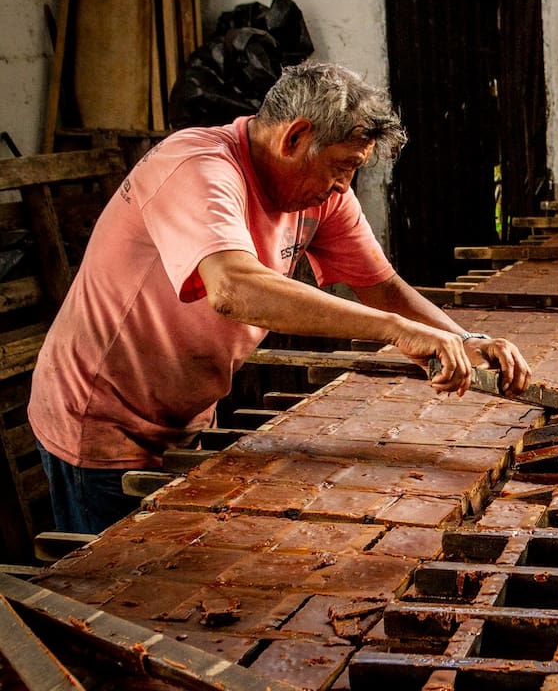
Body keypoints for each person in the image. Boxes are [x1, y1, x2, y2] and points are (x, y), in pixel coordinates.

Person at [29, 61, 531, 536]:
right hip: (101, 417)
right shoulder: (198, 165)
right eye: (342, 167)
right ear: (295, 136)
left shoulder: (322, 194)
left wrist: (464, 340)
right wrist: (398, 332)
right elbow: (232, 288)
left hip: (185, 413)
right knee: (107, 590)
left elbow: (381, 286)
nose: (344, 185)